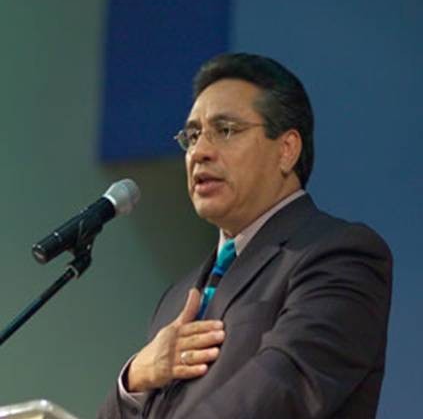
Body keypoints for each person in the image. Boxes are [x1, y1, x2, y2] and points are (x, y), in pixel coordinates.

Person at [97, 53, 392, 419]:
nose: (199, 152)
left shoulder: (341, 255)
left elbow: (282, 390)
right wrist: (135, 378)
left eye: (226, 130)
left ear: (286, 150)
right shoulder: (176, 298)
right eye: (192, 136)